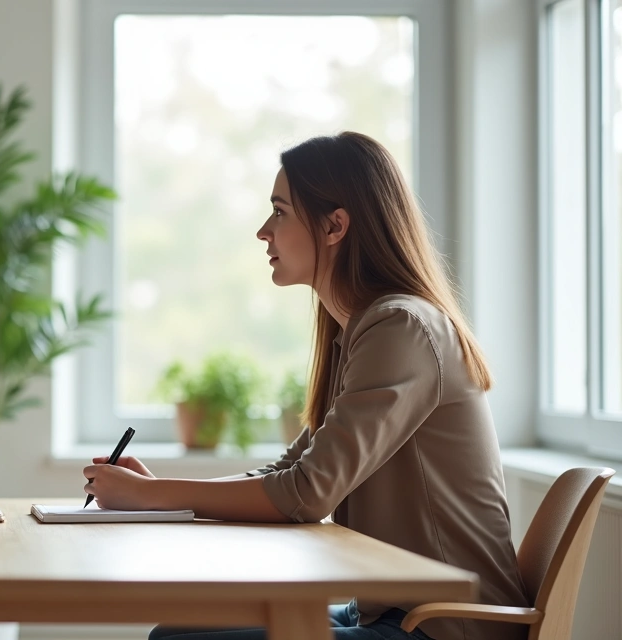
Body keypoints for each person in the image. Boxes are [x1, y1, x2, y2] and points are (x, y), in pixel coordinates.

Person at [82, 132, 528, 640]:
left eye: (279, 212)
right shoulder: (359, 332)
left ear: (335, 225)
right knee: (178, 633)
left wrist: (155, 496)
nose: (262, 232)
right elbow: (291, 470)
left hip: (444, 628)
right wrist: (158, 492)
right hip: (392, 615)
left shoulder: (401, 328)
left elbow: (306, 493)